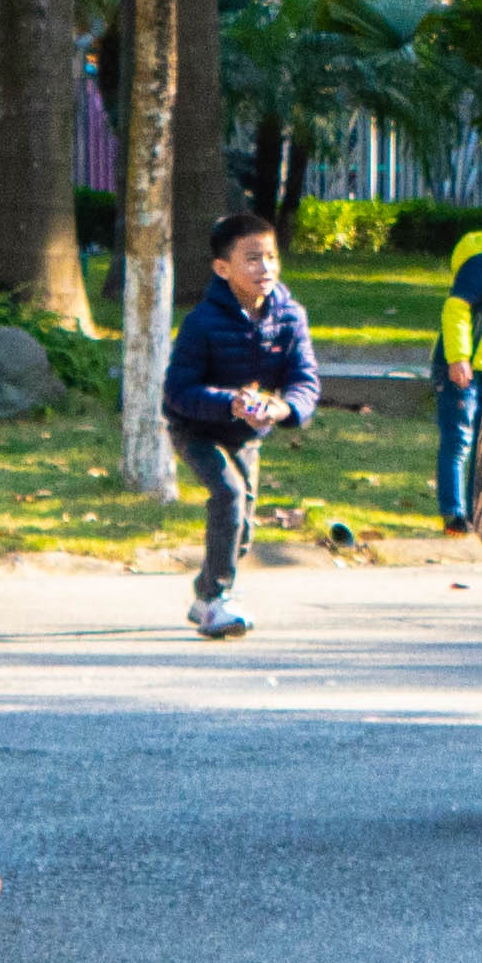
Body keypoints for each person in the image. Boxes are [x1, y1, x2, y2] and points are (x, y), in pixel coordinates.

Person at [161, 210, 317, 641]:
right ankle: (216, 600)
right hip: (197, 429)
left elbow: (305, 380)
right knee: (227, 494)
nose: (264, 268)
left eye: (270, 256)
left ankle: (204, 593)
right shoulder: (202, 322)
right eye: (251, 259)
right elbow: (177, 391)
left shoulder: (290, 317)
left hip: (248, 433)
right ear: (222, 268)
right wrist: (230, 402)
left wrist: (282, 409)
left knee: (242, 529)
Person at [430, 225, 482, 530]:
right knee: (459, 440)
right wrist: (459, 357)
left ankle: (475, 515)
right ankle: (454, 513)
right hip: (462, 369)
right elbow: (456, 308)